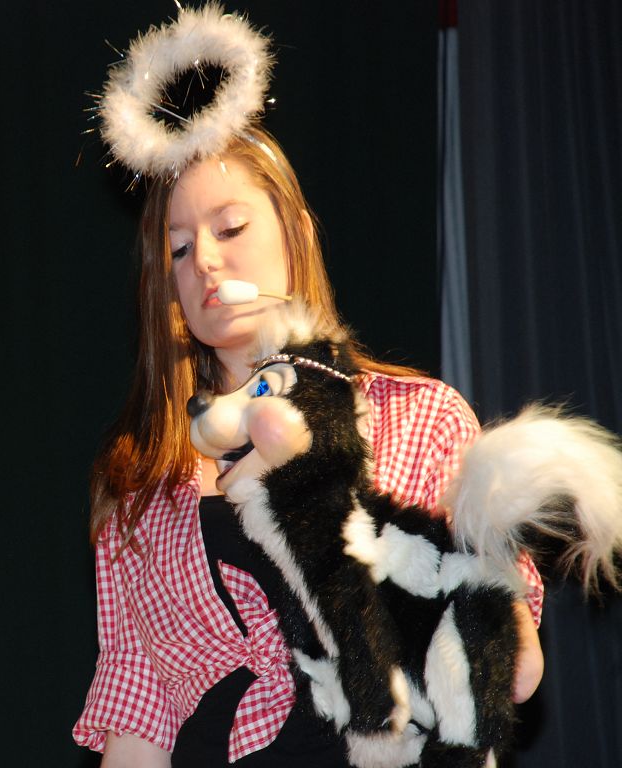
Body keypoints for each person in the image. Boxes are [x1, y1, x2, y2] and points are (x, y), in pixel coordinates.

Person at [72, 125, 544, 766]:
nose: (204, 260)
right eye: (178, 249)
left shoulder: (421, 419)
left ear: (295, 233)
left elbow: (512, 671)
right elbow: (140, 728)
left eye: (230, 229)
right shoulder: (142, 483)